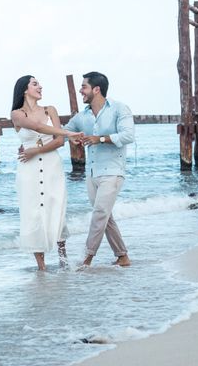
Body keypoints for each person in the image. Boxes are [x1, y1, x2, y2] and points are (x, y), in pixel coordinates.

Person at [11, 75, 82, 271]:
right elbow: (38, 127)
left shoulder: (50, 110)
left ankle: (63, 259)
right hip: (28, 170)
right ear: (24, 90)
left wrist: (37, 150)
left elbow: (58, 142)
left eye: (39, 83)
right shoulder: (17, 114)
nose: (40, 86)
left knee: (56, 206)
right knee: (33, 213)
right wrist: (68, 133)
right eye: (35, 84)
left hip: (51, 165)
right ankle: (41, 266)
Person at [64, 71, 135, 267]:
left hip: (113, 171)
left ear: (96, 89)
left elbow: (128, 136)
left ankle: (86, 258)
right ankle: (122, 256)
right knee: (105, 215)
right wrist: (35, 143)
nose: (80, 90)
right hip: (92, 173)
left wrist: (100, 139)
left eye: (84, 87)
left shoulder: (119, 109)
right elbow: (64, 132)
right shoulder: (82, 116)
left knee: (100, 213)